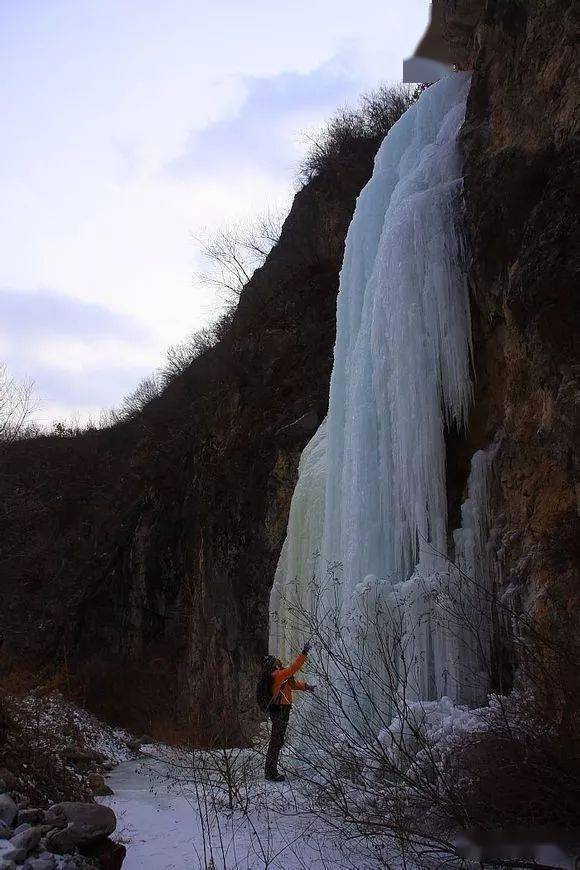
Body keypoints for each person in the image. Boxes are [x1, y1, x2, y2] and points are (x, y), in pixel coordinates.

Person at [264, 642, 315, 782]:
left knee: (277, 741)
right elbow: (294, 668)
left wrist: (306, 687)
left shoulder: (280, 675)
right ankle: (270, 772)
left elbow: (292, 685)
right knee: (276, 741)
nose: (278, 659)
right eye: (275, 659)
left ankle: (270, 770)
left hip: (282, 710)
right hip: (280, 711)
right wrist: (304, 653)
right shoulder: (277, 674)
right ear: (272, 664)